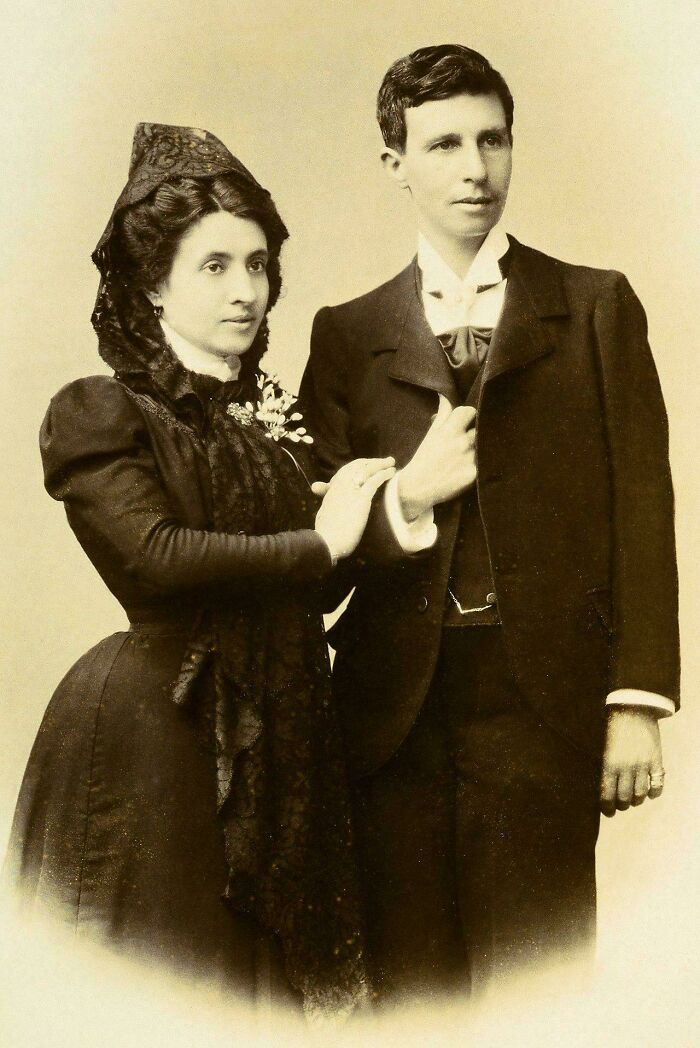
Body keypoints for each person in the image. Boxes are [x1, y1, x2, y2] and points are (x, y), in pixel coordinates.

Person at [299, 45, 679, 1003]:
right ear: (397, 163)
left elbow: (645, 510)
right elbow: (321, 554)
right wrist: (407, 500)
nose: (474, 168)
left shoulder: (594, 306)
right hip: (392, 717)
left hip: (540, 701)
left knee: (536, 991)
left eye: (492, 139)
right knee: (411, 992)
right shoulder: (346, 335)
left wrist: (635, 699)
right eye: (443, 144)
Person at [4, 123, 395, 1016]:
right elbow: (155, 560)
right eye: (214, 266)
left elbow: (314, 583)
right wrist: (325, 541)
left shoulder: (268, 419)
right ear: (152, 282)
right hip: (163, 733)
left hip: (287, 725)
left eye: (257, 266)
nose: (246, 291)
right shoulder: (104, 410)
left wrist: (388, 514)